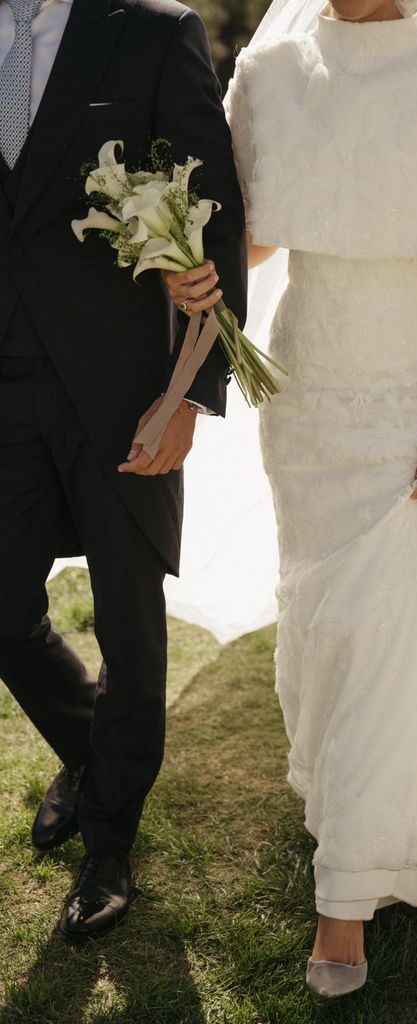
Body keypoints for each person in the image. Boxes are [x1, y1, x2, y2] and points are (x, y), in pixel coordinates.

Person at [167, 0, 417, 998]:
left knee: (389, 618)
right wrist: (193, 267)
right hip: (304, 399)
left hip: (413, 396)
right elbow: (262, 235)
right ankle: (353, 791)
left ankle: (343, 896)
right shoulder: (273, 74)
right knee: (326, 615)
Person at [0, 0, 246, 940]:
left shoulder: (151, 31)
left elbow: (214, 218)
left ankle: (109, 842)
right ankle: (94, 753)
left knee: (131, 624)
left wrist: (189, 394)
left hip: (122, 394)